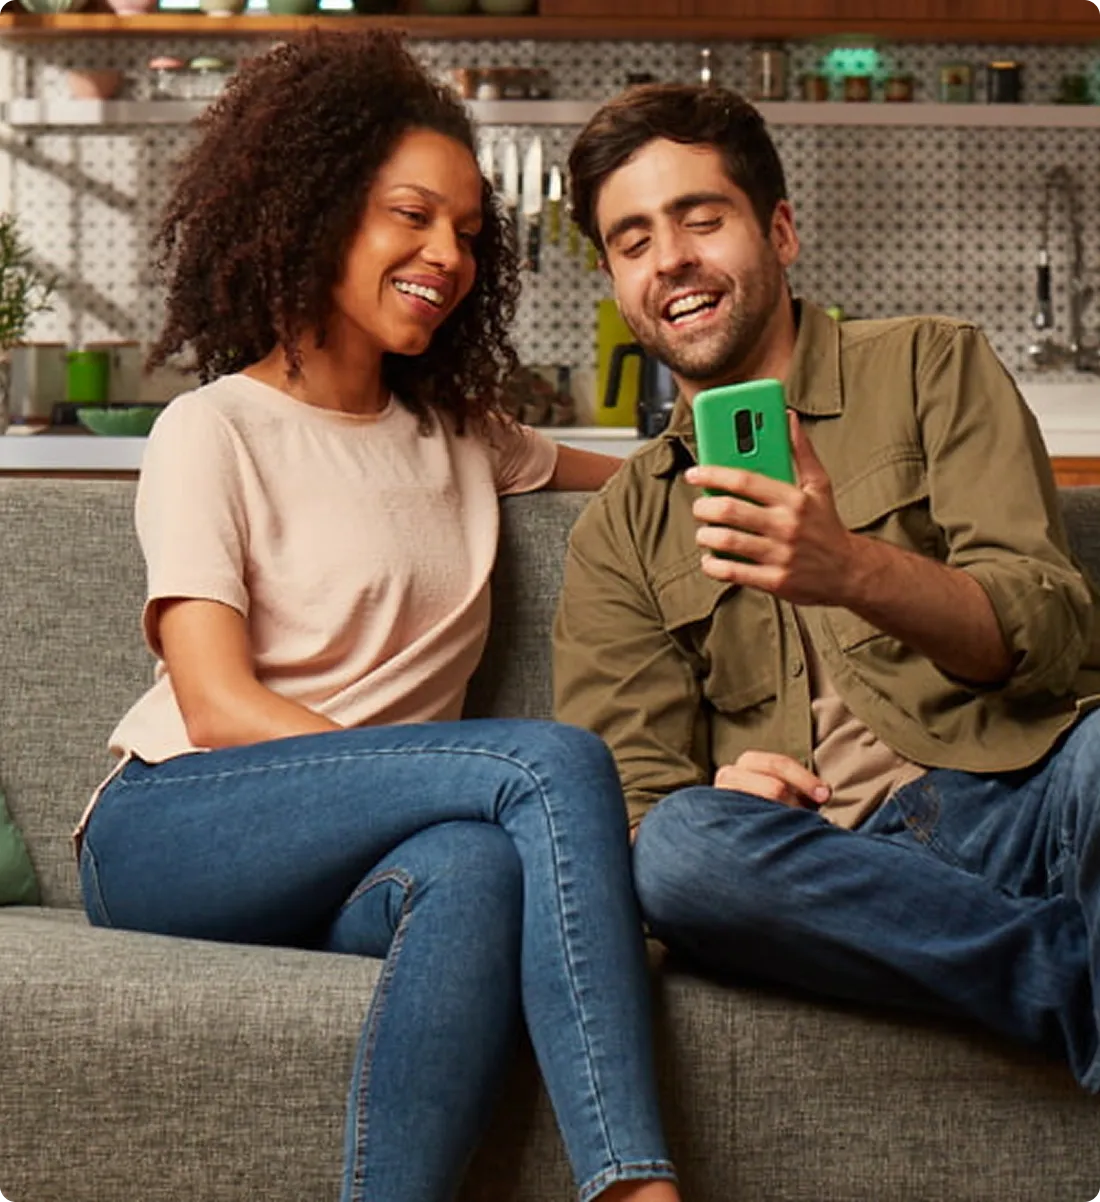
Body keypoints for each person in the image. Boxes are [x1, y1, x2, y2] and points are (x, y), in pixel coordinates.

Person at [75, 32, 683, 1202]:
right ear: (319, 211)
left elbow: (636, 477)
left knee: (471, 869)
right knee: (546, 765)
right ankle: (633, 1187)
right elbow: (214, 701)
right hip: (178, 822)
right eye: (410, 216)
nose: (443, 255)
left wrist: (740, 448)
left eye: (466, 231)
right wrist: (448, 764)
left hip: (369, 848)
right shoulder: (213, 429)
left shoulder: (462, 436)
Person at [553, 81, 1100, 1092]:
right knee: (676, 849)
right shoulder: (618, 530)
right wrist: (708, 792)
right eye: (630, 241)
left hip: (1014, 793)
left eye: (698, 217)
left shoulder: (931, 366)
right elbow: (626, 805)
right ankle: (1075, 978)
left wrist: (852, 569)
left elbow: (1053, 626)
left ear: (781, 230)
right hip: (824, 867)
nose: (667, 257)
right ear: (618, 283)